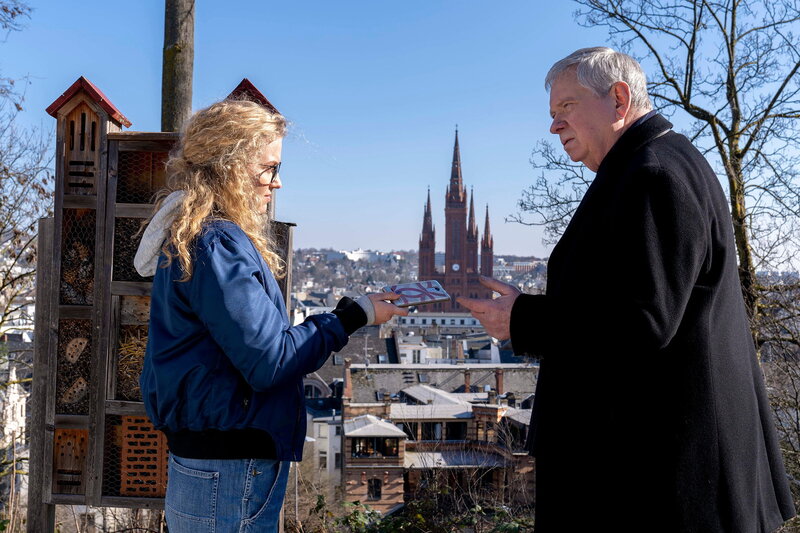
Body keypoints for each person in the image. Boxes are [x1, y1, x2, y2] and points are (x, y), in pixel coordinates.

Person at [458, 47, 796, 532]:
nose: (554, 127)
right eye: (552, 114)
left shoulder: (651, 174)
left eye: (566, 108)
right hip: (661, 477)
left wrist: (522, 320)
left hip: (662, 486)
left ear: (619, 99)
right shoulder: (652, 164)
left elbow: (642, 323)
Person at [134, 99, 407, 532]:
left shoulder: (196, 237)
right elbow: (270, 361)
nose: (276, 183)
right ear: (230, 166)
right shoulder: (217, 243)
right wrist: (354, 316)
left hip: (214, 460)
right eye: (269, 168)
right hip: (230, 467)